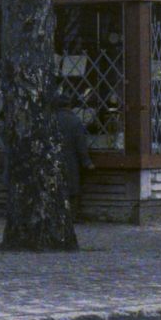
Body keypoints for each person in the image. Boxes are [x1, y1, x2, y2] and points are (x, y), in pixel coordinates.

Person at [48, 89, 96, 221]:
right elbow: (80, 145)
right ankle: (71, 216)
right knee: (72, 190)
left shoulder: (49, 120)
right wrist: (87, 162)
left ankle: (55, 216)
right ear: (69, 105)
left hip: (51, 159)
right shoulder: (74, 121)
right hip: (70, 160)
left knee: (54, 187)